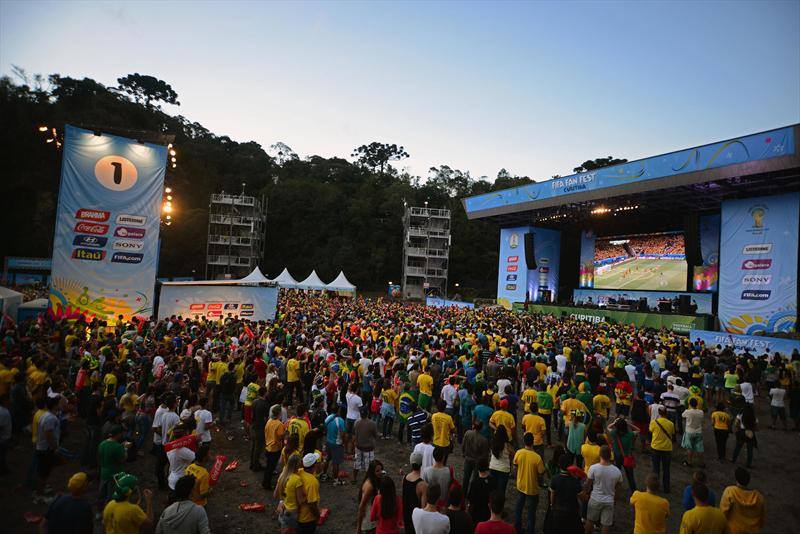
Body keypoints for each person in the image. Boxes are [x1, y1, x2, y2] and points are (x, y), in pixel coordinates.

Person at [584, 445, 623, 534]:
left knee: (590, 520)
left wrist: (585, 493)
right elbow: (618, 489)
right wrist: (615, 500)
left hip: (595, 498)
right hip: (609, 500)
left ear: (600, 455)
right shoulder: (617, 471)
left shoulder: (593, 468)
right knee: (606, 524)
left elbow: (588, 484)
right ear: (610, 456)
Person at [512, 431, 545, 534]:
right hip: (532, 488)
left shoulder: (519, 453)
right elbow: (541, 473)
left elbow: (514, 467)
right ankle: (529, 531)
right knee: (531, 512)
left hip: (520, 484)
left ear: (524, 441)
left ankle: (517, 528)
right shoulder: (537, 458)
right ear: (533, 442)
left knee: (519, 508)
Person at [544, 453, 584, 534]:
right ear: (571, 465)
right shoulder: (575, 481)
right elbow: (582, 496)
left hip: (558, 511)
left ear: (559, 464)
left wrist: (552, 505)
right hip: (572, 512)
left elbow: (552, 495)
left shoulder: (555, 479)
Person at [720, 467, 765, 534]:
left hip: (733, 531)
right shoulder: (759, 497)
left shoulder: (730, 491)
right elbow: (762, 519)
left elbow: (723, 512)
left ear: (736, 479)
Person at [35, 395, 61, 503]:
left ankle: (42, 489)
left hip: (43, 447)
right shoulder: (50, 418)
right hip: (46, 448)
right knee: (43, 473)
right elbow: (48, 434)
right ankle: (39, 496)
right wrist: (55, 447)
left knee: (44, 471)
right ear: (55, 405)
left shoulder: (46, 415)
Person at [98, 425, 128, 509]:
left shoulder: (102, 444)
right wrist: (125, 449)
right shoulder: (117, 446)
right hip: (114, 473)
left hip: (104, 471)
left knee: (102, 491)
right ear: (118, 434)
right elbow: (123, 459)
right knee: (111, 494)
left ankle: (99, 510)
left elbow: (99, 457)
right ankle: (109, 510)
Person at [649, 406, 674, 492]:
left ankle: (655, 487)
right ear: (666, 413)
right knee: (666, 469)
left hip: (655, 447)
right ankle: (666, 488)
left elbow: (651, 430)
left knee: (656, 469)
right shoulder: (671, 424)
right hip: (667, 448)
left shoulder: (653, 422)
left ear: (659, 413)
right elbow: (672, 433)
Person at [461, 419, 489, 496]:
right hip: (477, 461)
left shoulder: (468, 433)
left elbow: (463, 445)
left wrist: (463, 453)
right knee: (475, 479)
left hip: (468, 458)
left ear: (473, 426)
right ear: (481, 428)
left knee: (466, 477)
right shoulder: (484, 440)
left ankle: (463, 493)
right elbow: (485, 455)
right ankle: (471, 494)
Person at [403, 452, 429, 534]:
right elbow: (423, 506)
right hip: (416, 519)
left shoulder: (404, 478)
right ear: (421, 463)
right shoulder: (423, 485)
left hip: (406, 515)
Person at [356, 459, 384, 534]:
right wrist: (358, 528)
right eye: (377, 471)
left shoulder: (375, 480)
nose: (380, 472)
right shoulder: (369, 487)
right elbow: (361, 507)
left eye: (381, 469)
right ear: (372, 472)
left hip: (373, 520)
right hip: (369, 524)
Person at [353, 406, 379, 483]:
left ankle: (354, 479)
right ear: (367, 413)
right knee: (369, 466)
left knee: (356, 464)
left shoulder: (357, 422)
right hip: (368, 448)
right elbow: (375, 435)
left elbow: (355, 434)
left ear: (360, 414)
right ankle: (367, 481)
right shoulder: (372, 423)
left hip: (358, 446)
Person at [297, 453, 322, 534]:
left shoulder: (299, 472)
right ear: (314, 465)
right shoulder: (312, 482)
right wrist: (317, 515)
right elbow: (312, 504)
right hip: (307, 518)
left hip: (297, 514)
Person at [264, 403, 286, 490]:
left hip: (268, 446)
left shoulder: (269, 421)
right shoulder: (279, 424)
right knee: (271, 467)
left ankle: (266, 481)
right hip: (275, 447)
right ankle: (266, 483)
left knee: (269, 466)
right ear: (279, 413)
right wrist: (285, 432)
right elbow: (280, 437)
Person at [488, 424, 513, 494]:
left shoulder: (493, 442)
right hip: (504, 469)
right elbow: (512, 456)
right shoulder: (508, 446)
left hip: (493, 466)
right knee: (501, 491)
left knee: (492, 489)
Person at [681, 397, 705, 468]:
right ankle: (701, 463)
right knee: (699, 448)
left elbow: (682, 416)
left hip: (689, 431)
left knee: (689, 448)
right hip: (698, 431)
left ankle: (689, 461)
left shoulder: (687, 411)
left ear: (690, 404)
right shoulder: (701, 412)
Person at [431, 400, 455, 464]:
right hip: (445, 443)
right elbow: (453, 430)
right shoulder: (448, 418)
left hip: (435, 442)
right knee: (443, 462)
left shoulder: (434, 416)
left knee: (435, 460)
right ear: (445, 408)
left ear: (437, 407)